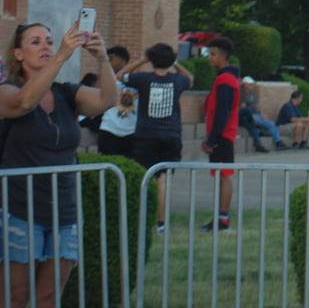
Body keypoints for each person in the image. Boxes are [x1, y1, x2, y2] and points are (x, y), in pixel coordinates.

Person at [0, 22, 117, 306]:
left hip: (64, 211)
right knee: (15, 296)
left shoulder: (66, 93)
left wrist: (103, 59)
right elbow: (24, 102)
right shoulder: (7, 90)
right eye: (36, 42)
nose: (46, 47)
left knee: (49, 297)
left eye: (50, 41)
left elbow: (107, 100)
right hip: (19, 208)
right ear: (17, 53)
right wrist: (61, 56)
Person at [119, 43, 193, 235]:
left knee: (145, 178)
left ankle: (143, 217)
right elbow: (190, 79)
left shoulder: (142, 79)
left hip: (146, 135)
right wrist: (175, 63)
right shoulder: (178, 81)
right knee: (163, 180)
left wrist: (141, 60)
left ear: (151, 60)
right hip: (171, 136)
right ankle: (161, 223)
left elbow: (120, 75)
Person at [202, 36, 240, 232]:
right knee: (221, 176)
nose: (210, 58)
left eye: (213, 54)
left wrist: (212, 139)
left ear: (222, 56)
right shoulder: (225, 78)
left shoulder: (226, 80)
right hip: (222, 135)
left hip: (223, 136)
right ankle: (220, 216)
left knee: (225, 175)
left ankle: (223, 219)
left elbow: (222, 111)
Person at [97, 45, 138, 159]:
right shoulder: (107, 78)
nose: (109, 62)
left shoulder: (136, 79)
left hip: (130, 132)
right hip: (109, 130)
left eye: (111, 59)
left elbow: (123, 75)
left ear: (122, 59)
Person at [238, 76, 287, 152]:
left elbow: (256, 107)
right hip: (247, 116)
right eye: (250, 84)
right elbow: (241, 109)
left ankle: (278, 142)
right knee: (256, 126)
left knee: (270, 123)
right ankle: (261, 134)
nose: (252, 86)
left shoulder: (253, 93)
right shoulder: (240, 94)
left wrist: (262, 114)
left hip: (256, 115)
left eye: (252, 84)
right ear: (245, 84)